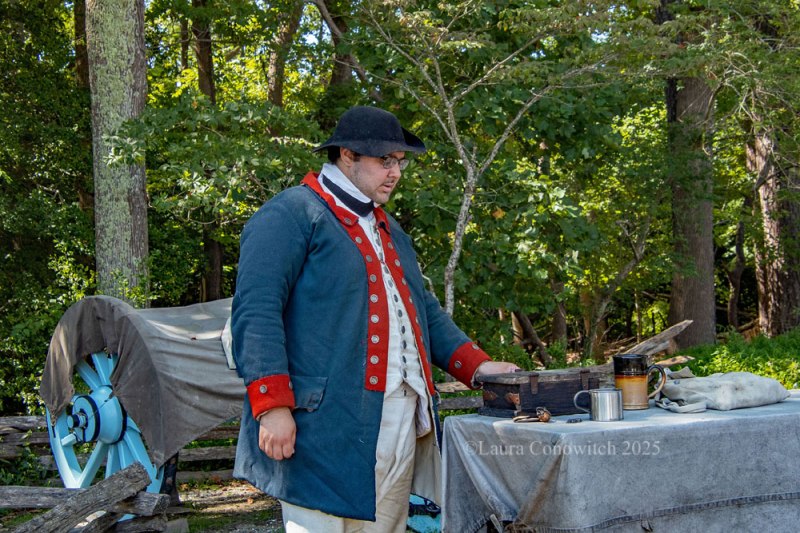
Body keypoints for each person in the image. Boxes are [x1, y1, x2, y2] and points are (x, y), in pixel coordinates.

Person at [231, 105, 519, 532]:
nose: (396, 172)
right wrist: (272, 406)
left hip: (402, 414)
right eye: (385, 161)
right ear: (347, 155)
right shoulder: (291, 213)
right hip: (324, 422)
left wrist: (476, 366)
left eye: (399, 162)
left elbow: (424, 312)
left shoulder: (389, 229)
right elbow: (256, 311)